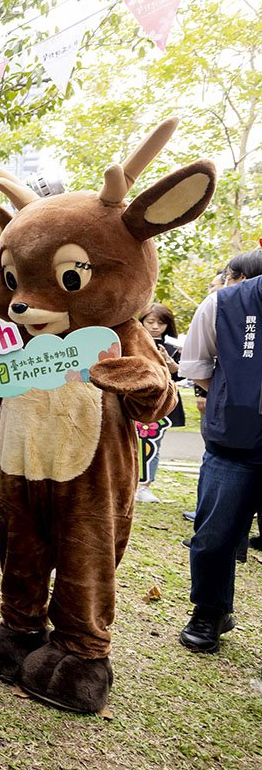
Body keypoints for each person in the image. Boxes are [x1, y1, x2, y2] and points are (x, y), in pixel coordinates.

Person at [177, 258, 262, 653]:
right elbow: (196, 365)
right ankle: (210, 612)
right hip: (234, 444)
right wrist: (236, 400)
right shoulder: (225, 304)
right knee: (214, 535)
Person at [135, 302, 185, 503]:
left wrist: (169, 361)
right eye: (151, 321)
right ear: (142, 321)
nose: (155, 327)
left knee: (153, 443)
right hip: (134, 400)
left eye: (161, 323)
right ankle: (129, 483)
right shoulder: (132, 340)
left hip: (161, 402)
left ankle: (145, 486)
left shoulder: (173, 346)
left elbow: (180, 375)